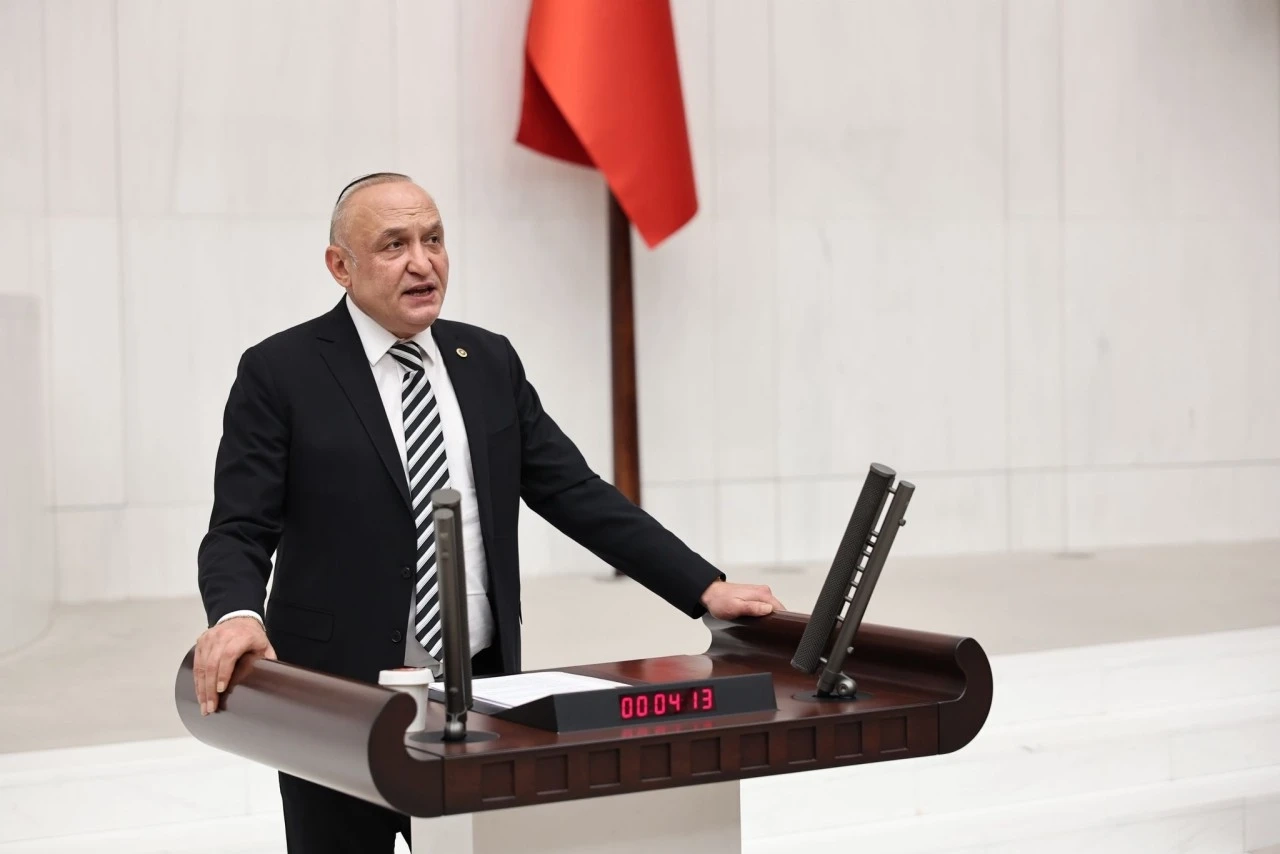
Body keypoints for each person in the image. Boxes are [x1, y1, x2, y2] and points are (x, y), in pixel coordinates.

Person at [192, 172, 784, 853]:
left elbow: (574, 491)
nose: (423, 262)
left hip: (480, 688)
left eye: (434, 239)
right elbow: (240, 526)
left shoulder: (487, 361)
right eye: (394, 245)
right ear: (340, 266)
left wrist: (703, 586)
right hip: (337, 697)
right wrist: (236, 615)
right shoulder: (281, 371)